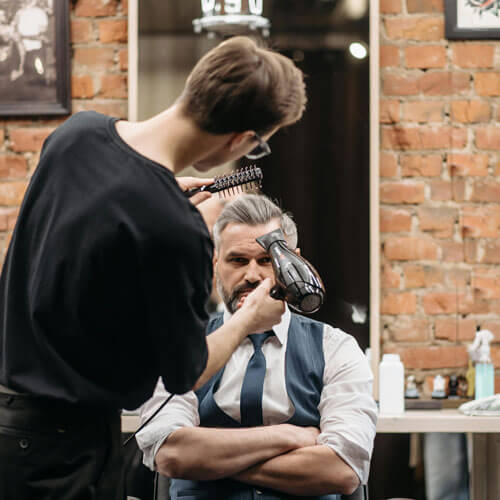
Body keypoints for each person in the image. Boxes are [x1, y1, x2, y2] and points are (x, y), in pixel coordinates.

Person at [0, 36, 306, 500]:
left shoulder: (76, 135)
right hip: (62, 453)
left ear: (195, 84)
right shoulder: (175, 229)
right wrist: (248, 319)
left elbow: (87, 231)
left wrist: (158, 193)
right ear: (241, 140)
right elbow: (188, 372)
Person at [137, 194, 378, 499]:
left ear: (296, 264)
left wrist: (207, 462)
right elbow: (172, 455)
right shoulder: (179, 347)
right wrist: (288, 436)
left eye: (267, 260)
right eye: (237, 260)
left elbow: (341, 470)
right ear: (215, 264)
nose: (252, 275)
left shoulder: (337, 349)